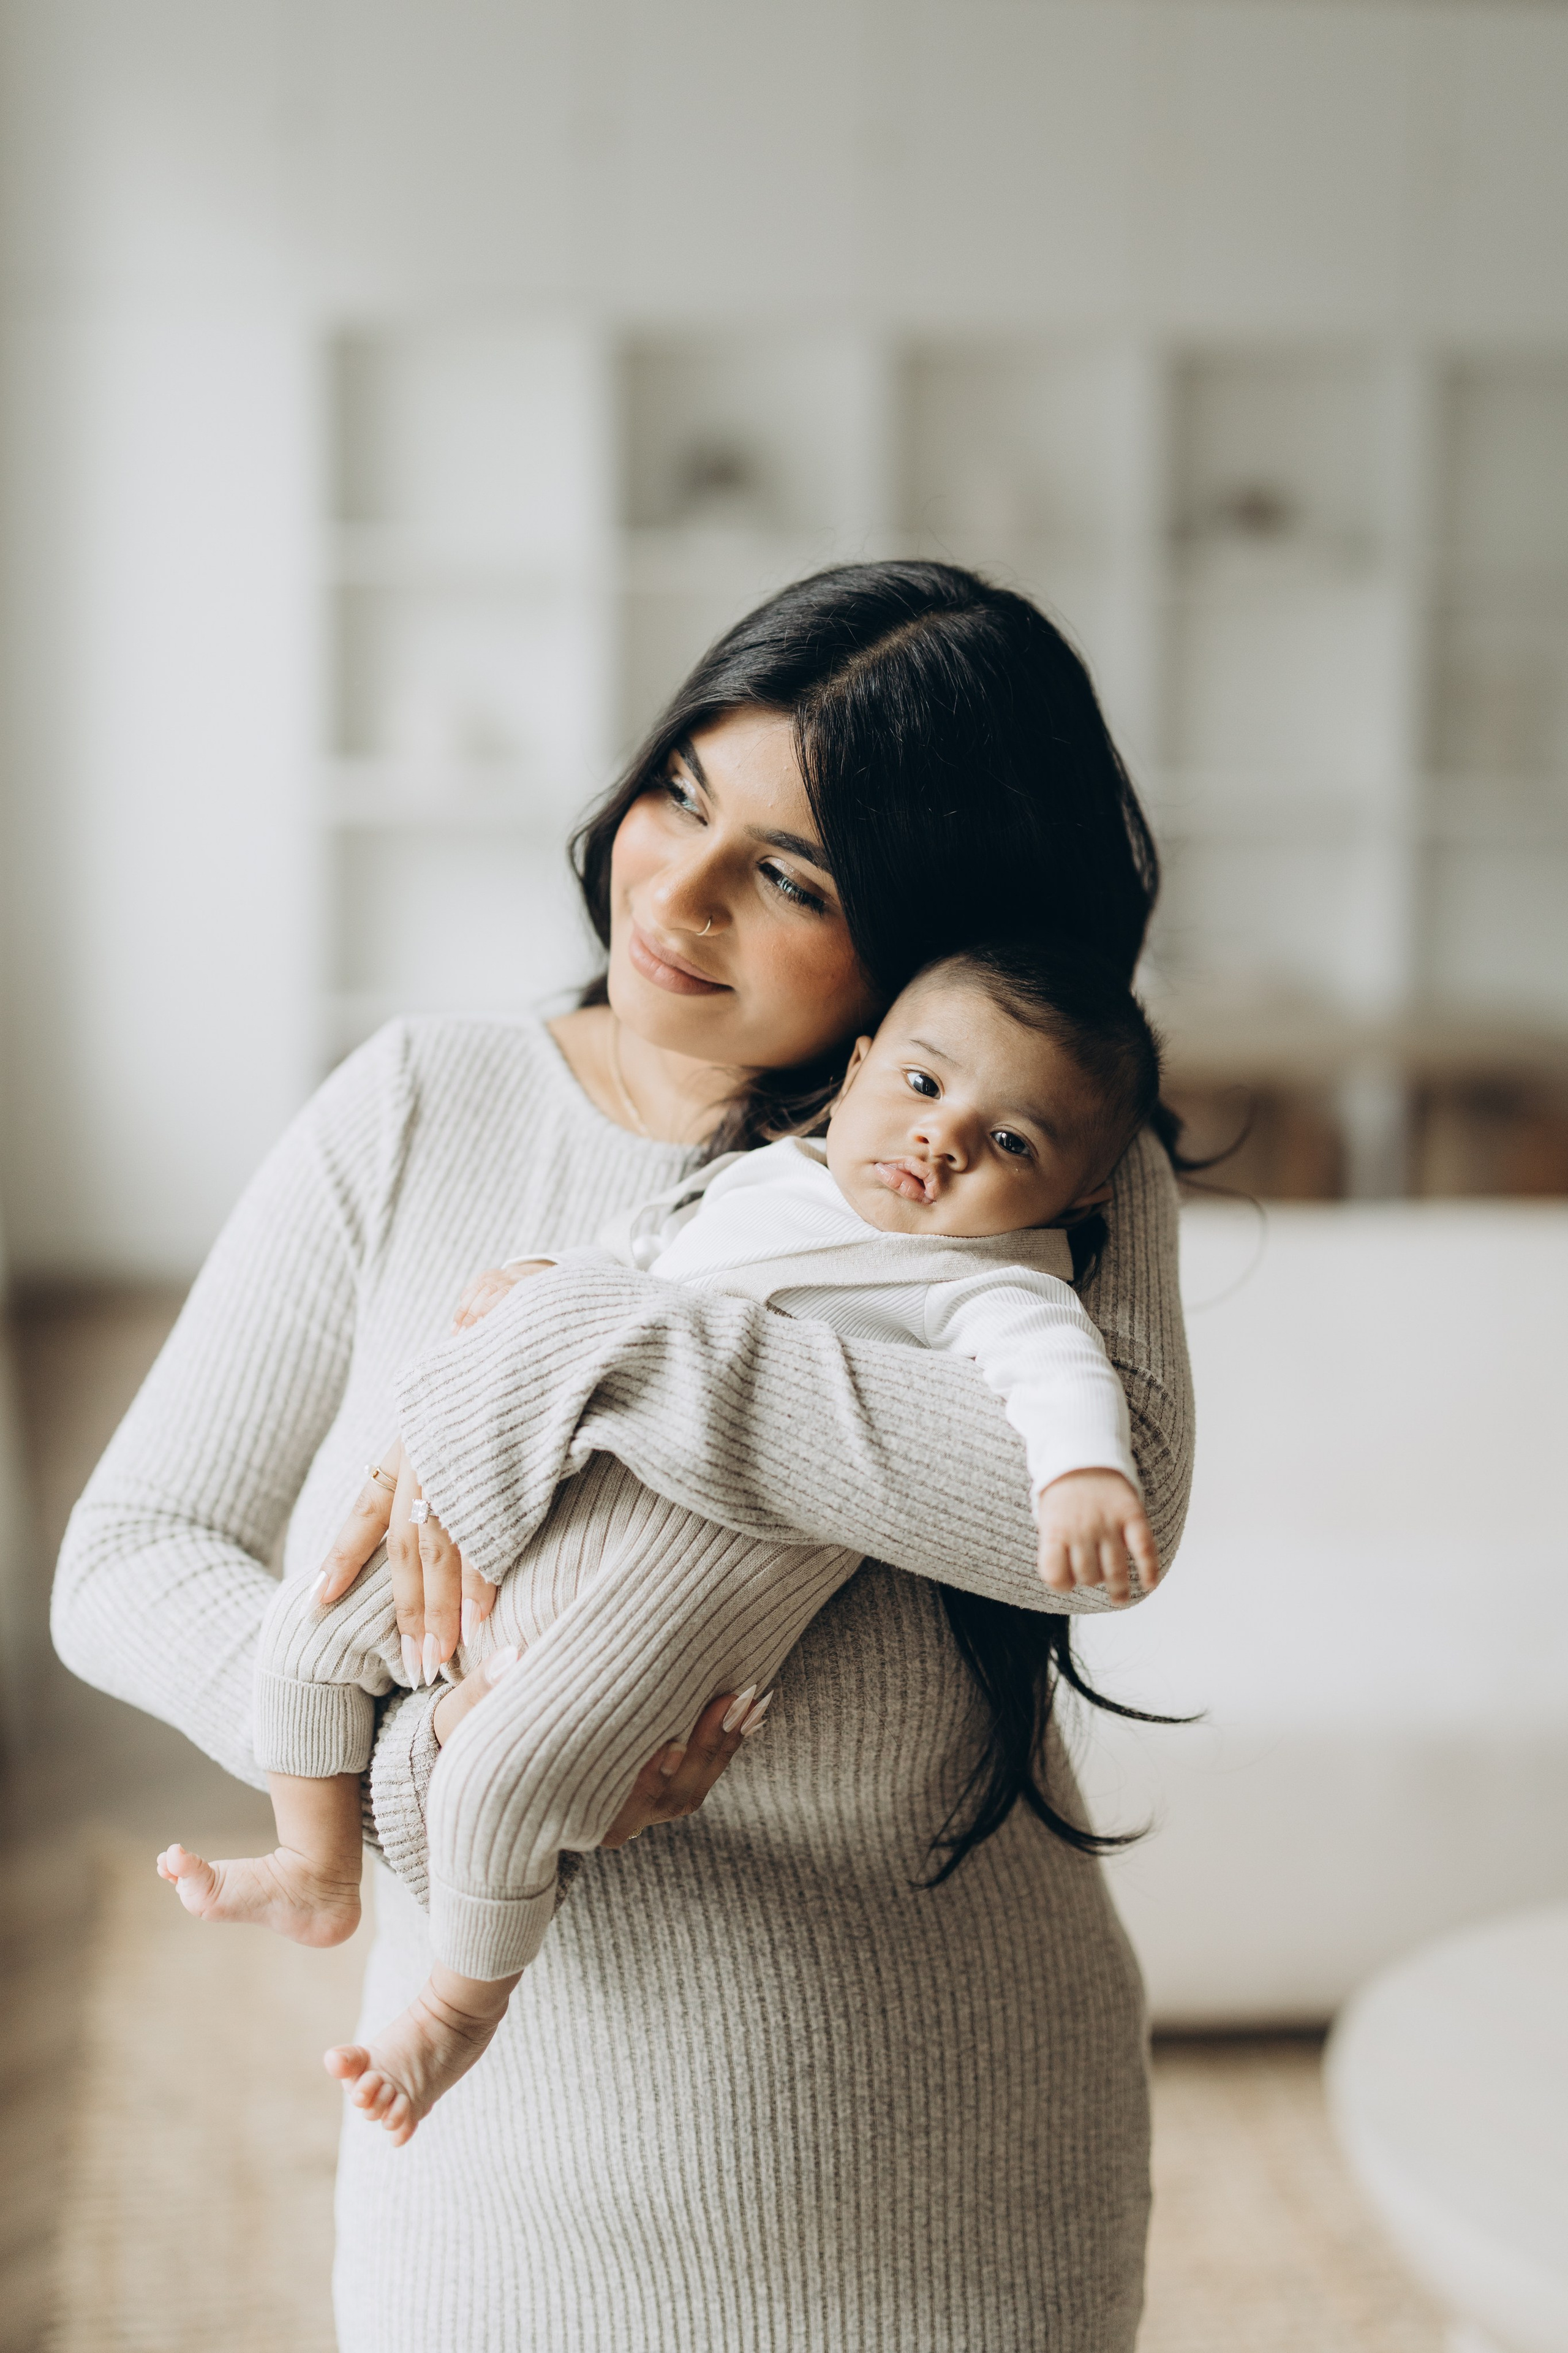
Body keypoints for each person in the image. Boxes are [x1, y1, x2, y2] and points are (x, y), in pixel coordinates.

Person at [53, 561, 1194, 2352]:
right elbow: (129, 1554)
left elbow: (1052, 1509)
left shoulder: (1017, 1159)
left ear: (935, 939)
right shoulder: (424, 1101)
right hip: (495, 2202)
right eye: (681, 792)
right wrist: (427, 1758)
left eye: (792, 876)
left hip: (955, 2193)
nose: (674, 890)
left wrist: (599, 1337)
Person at [157, 940, 1164, 2146]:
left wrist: (1082, 1473)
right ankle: (314, 1863)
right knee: (310, 1621)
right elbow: (634, 1258)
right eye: (921, 1085)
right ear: (854, 1072)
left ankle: (458, 2007)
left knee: (504, 1777)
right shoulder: (765, 1176)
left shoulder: (984, 1279)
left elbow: (1050, 1369)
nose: (943, 1140)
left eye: (1011, 1144)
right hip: (549, 1486)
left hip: (692, 1566)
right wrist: (548, 1284)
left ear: (1076, 1196)